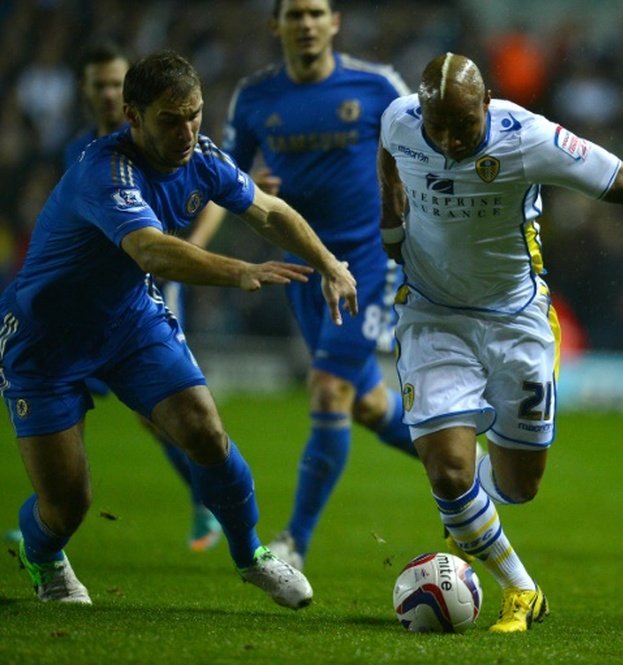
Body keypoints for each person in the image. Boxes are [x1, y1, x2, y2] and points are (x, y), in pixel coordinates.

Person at [379, 52, 623, 633]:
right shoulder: (400, 119)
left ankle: (470, 507)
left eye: (462, 127)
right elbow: (387, 155)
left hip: (518, 319)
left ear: (487, 103)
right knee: (446, 472)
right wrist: (393, 227)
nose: (446, 140)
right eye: (435, 126)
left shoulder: (529, 138)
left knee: (519, 487)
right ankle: (521, 589)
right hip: (431, 314)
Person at [1, 50, 358, 608]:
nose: (187, 130)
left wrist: (331, 263)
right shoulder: (104, 169)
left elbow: (267, 210)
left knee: (205, 431)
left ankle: (252, 556)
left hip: (127, 322)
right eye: (171, 119)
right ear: (133, 116)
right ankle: (42, 554)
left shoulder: (203, 156)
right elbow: (150, 251)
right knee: (68, 501)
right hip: (44, 339)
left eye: (194, 114)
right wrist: (240, 271)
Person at [213, 0, 416, 571]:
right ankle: (462, 466)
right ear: (275, 25)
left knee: (329, 388)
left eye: (316, 12)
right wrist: (249, 184)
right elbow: (224, 178)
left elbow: (426, 146)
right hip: (302, 267)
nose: (306, 23)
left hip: (372, 261)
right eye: (295, 13)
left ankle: (293, 542)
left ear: (335, 23)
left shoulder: (376, 87)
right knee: (369, 405)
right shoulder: (254, 97)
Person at [65, 42, 224, 553]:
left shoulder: (166, 139)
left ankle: (205, 501)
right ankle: (58, 502)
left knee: (154, 410)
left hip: (149, 288)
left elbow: (217, 188)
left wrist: (191, 249)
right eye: (101, 85)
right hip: (91, 300)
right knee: (60, 393)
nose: (109, 93)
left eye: (117, 83)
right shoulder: (81, 153)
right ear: (87, 91)